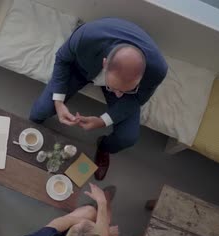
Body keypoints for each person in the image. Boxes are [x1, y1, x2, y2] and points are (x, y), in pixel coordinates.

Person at [29, 18, 168, 180]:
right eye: (114, 89)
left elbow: (137, 99)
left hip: (118, 80)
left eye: (127, 89)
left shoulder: (157, 70)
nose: (118, 95)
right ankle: (31, 127)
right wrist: (59, 103)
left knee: (128, 137)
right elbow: (62, 59)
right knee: (43, 109)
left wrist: (103, 120)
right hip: (82, 68)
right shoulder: (86, 37)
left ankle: (104, 147)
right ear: (104, 63)